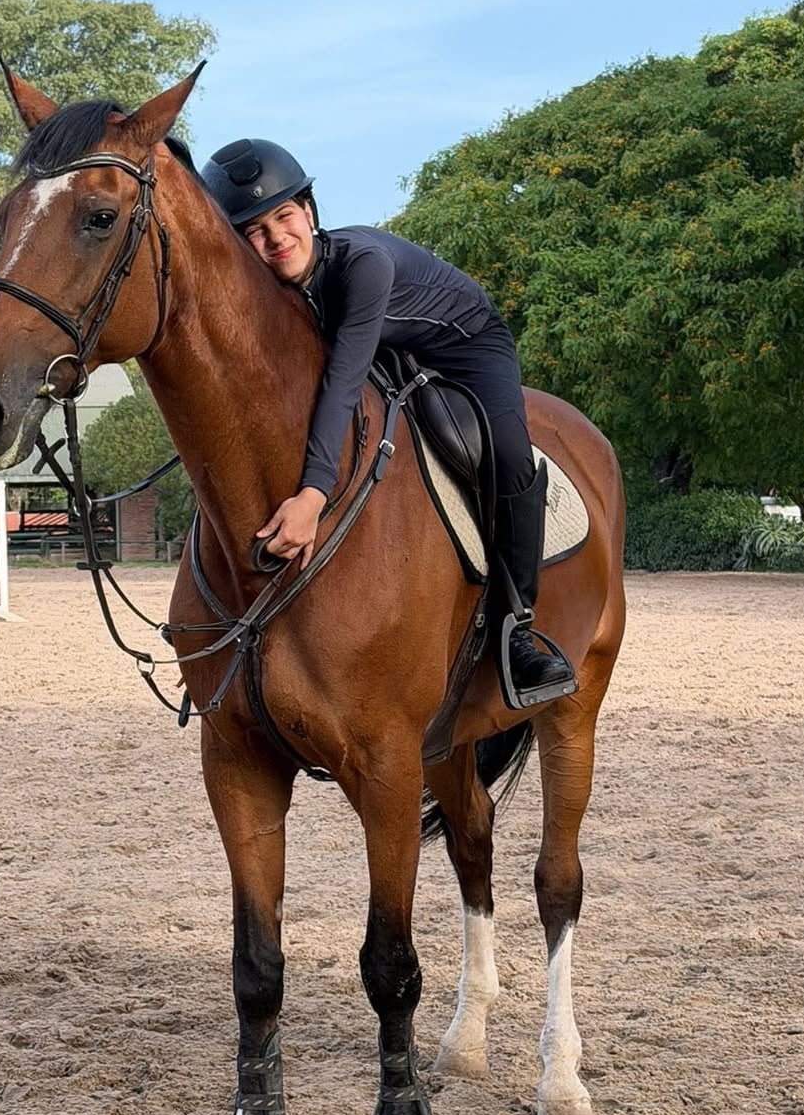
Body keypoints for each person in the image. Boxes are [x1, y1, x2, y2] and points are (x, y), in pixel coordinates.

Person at [200, 138, 573, 701]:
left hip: (467, 343)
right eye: (254, 230)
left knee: (509, 453)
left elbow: (342, 383)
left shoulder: (361, 265)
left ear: (309, 211)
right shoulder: (277, 292)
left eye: (283, 216)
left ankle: (516, 630)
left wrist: (313, 495)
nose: (276, 238)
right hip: (387, 342)